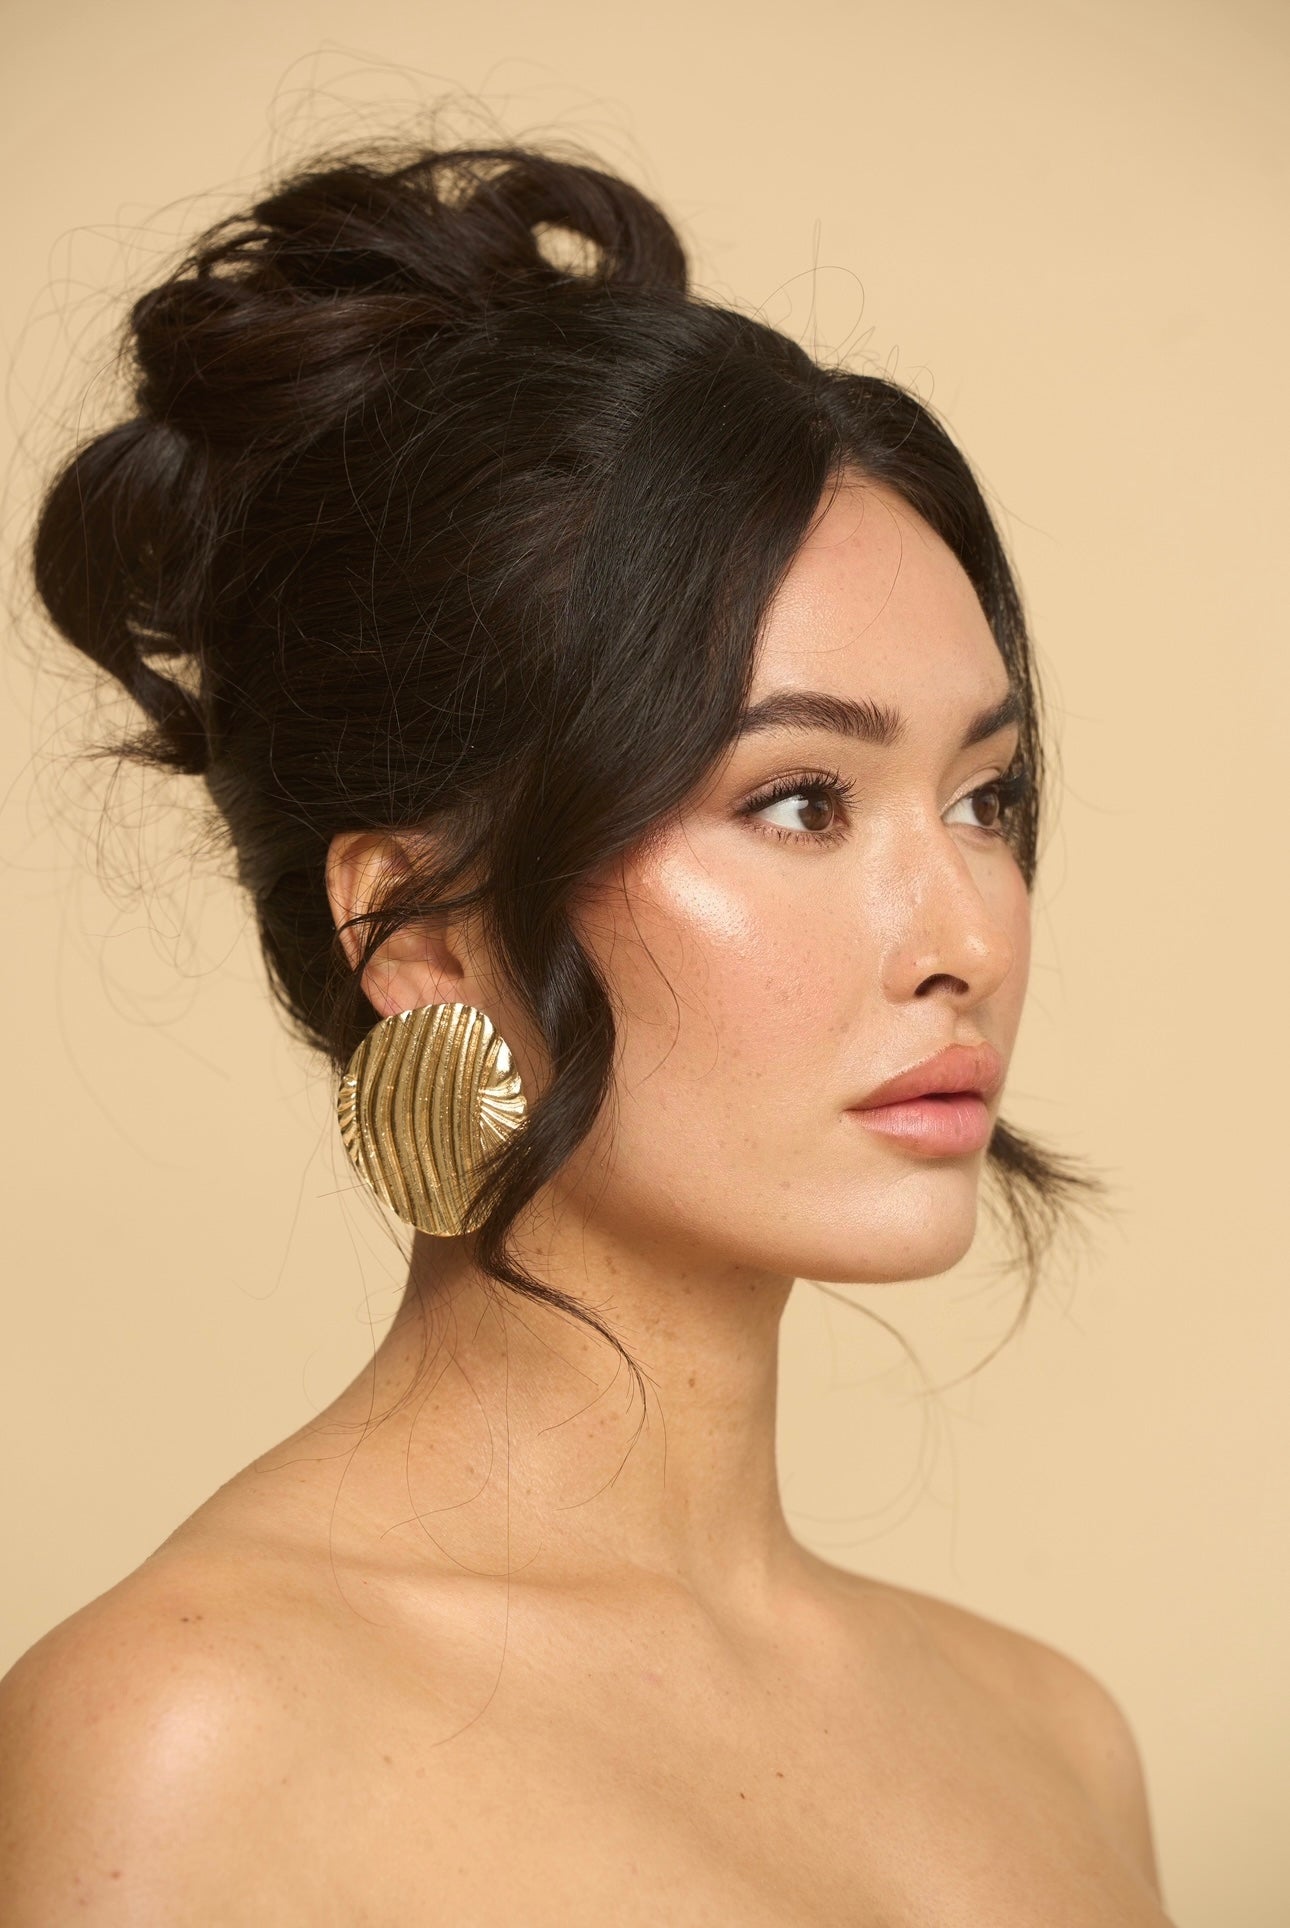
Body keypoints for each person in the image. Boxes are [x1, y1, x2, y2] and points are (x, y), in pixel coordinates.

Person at [0, 137, 1173, 1923]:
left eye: (984, 798)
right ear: (420, 927)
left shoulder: (1054, 1741)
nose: (967, 939)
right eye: (798, 801)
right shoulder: (188, 1743)